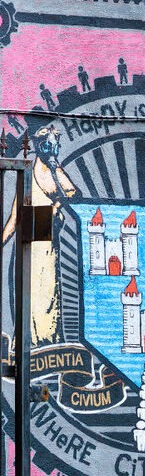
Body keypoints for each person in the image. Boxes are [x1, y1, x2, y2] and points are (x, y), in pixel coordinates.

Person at [2, 125, 79, 345]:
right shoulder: (29, 172)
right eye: (46, 145)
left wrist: (56, 206)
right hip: (28, 240)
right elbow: (15, 217)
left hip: (44, 239)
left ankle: (47, 341)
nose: (50, 149)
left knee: (46, 294)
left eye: (53, 145)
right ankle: (27, 341)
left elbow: (72, 191)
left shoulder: (54, 170)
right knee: (27, 292)